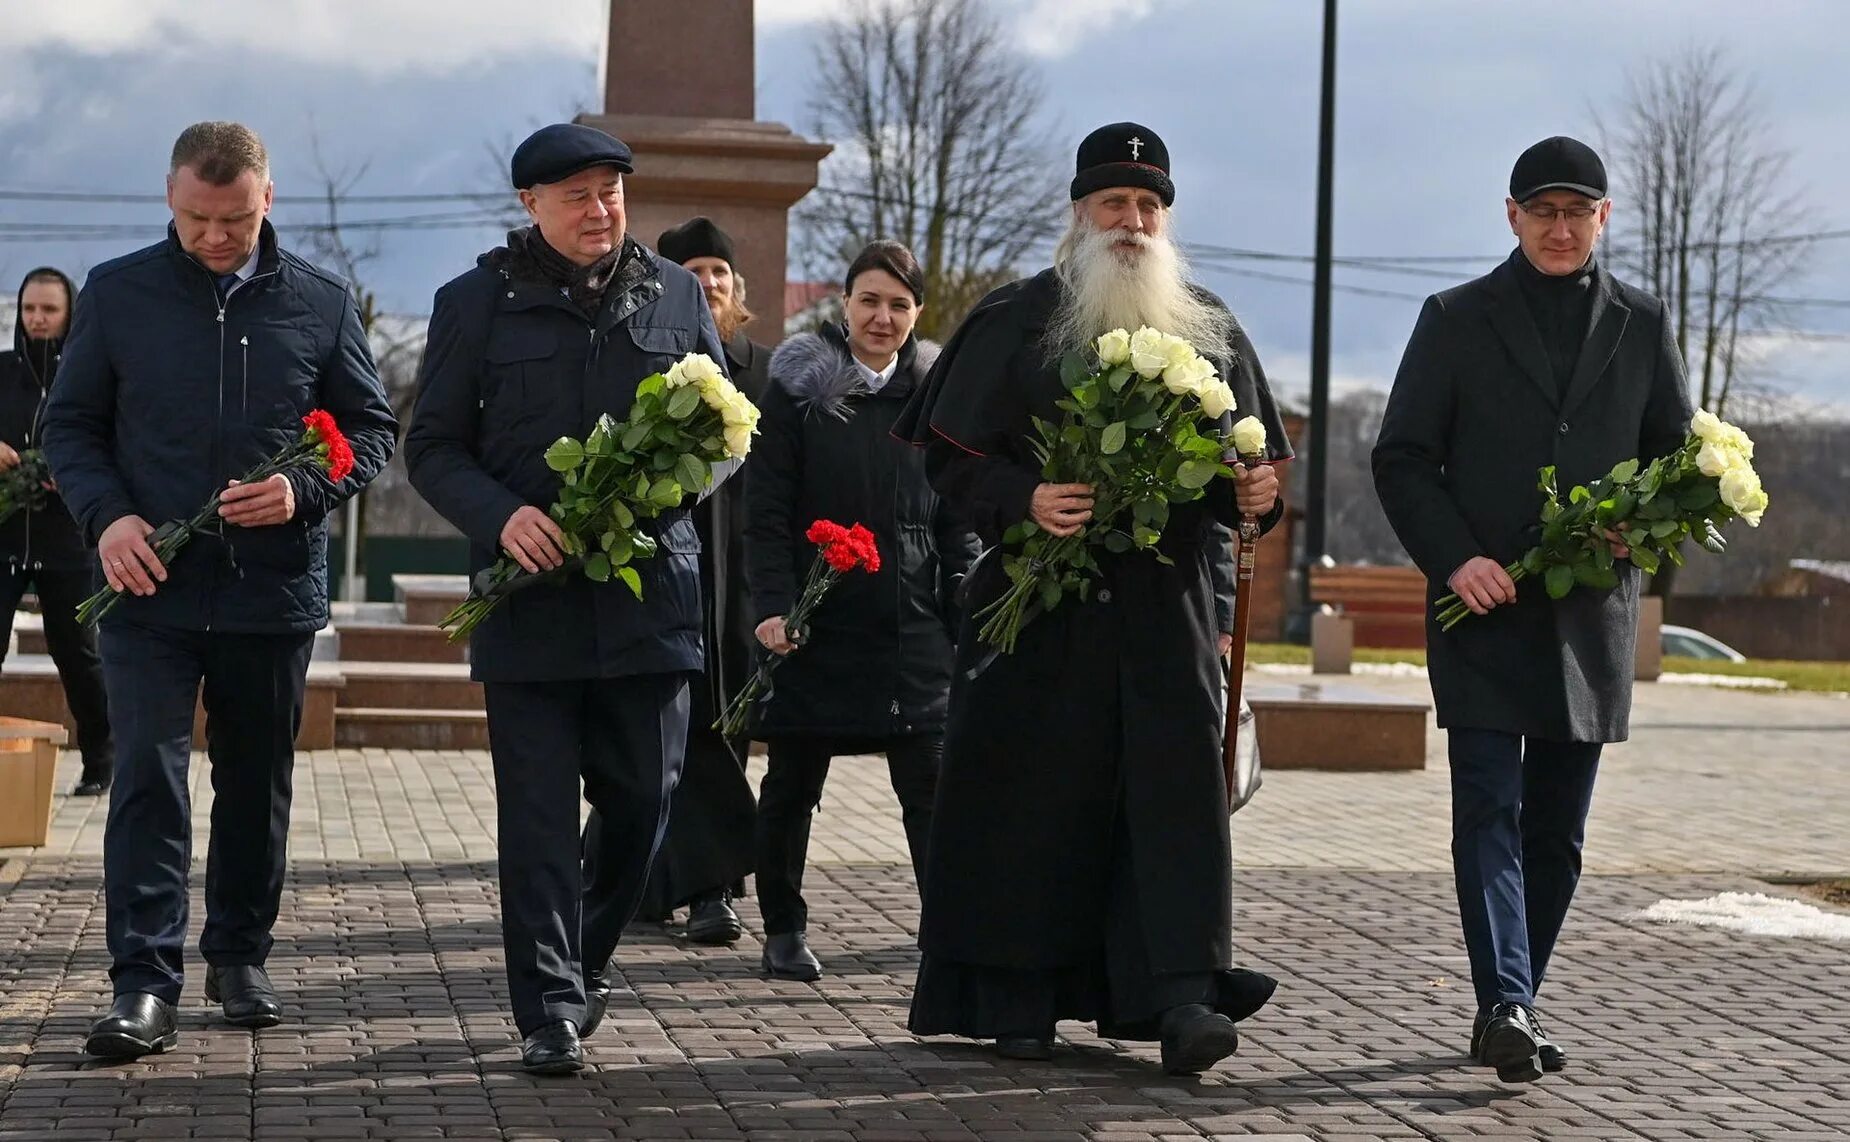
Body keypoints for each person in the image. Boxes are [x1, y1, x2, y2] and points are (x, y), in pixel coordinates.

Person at [895, 123, 1289, 1075]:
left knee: (1170, 804)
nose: (1133, 221)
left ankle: (1180, 998)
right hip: (1039, 607)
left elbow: (1260, 464)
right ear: (1079, 213)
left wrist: (1259, 496)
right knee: (1033, 800)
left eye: (1149, 205)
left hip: (1169, 613)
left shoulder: (1208, 325)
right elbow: (947, 457)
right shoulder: (1015, 319)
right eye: (1114, 203)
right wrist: (1022, 498)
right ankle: (1016, 995)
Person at [42, 121, 397, 1058]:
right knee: (147, 781)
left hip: (268, 593)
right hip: (143, 585)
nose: (213, 236)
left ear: (266, 200)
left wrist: (303, 487)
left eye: (233, 218)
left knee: (255, 783)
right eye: (197, 217)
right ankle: (143, 982)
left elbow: (371, 431)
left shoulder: (319, 302)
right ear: (170, 197)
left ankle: (239, 955)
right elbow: (70, 431)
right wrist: (108, 519)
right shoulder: (117, 294)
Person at [404, 123, 729, 1074]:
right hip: (528, 601)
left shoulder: (673, 294)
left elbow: (717, 430)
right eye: (578, 195)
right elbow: (431, 449)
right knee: (539, 818)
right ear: (531, 205)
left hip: (648, 594)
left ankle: (580, 960)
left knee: (644, 804)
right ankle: (547, 1005)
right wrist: (503, 518)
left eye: (612, 192)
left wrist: (664, 494)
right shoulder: (472, 304)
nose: (600, 211)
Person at [1372, 136, 1693, 1083]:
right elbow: (1401, 458)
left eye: (1577, 212)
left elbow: (1678, 465)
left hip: (1591, 617)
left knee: (1558, 830)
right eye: (1541, 211)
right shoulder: (1455, 317)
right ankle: (1507, 999)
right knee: (1490, 806)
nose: (1560, 228)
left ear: (1604, 218)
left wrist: (1650, 533)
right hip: (1483, 608)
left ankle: (1511, 1000)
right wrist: (1455, 558)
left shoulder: (1644, 323)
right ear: (1510, 216)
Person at [744, 240, 977, 982]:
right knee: (791, 788)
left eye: (899, 305)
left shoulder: (940, 397)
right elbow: (767, 512)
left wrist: (963, 601)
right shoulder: (799, 392)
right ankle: (782, 928)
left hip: (914, 629)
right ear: (843, 305)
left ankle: (948, 934)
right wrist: (776, 608)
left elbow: (957, 518)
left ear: (918, 313)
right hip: (817, 625)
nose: (883, 317)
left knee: (935, 795)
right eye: (870, 301)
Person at [597, 216, 769, 945]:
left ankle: (707, 883)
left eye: (718, 273)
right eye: (692, 271)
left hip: (742, 576)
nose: (708, 283)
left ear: (736, 288)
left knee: (724, 724)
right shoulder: (640, 363)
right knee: (669, 728)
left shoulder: (765, 371)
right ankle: (683, 881)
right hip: (663, 563)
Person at [0, 267, 113, 795]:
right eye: (29, 310)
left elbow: (107, 441)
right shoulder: (2, 371)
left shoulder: (88, 373)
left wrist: (68, 471)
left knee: (78, 653)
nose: (38, 319)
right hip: (3, 538)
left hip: (66, 540)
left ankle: (100, 761)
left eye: (49, 310)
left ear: (69, 315)